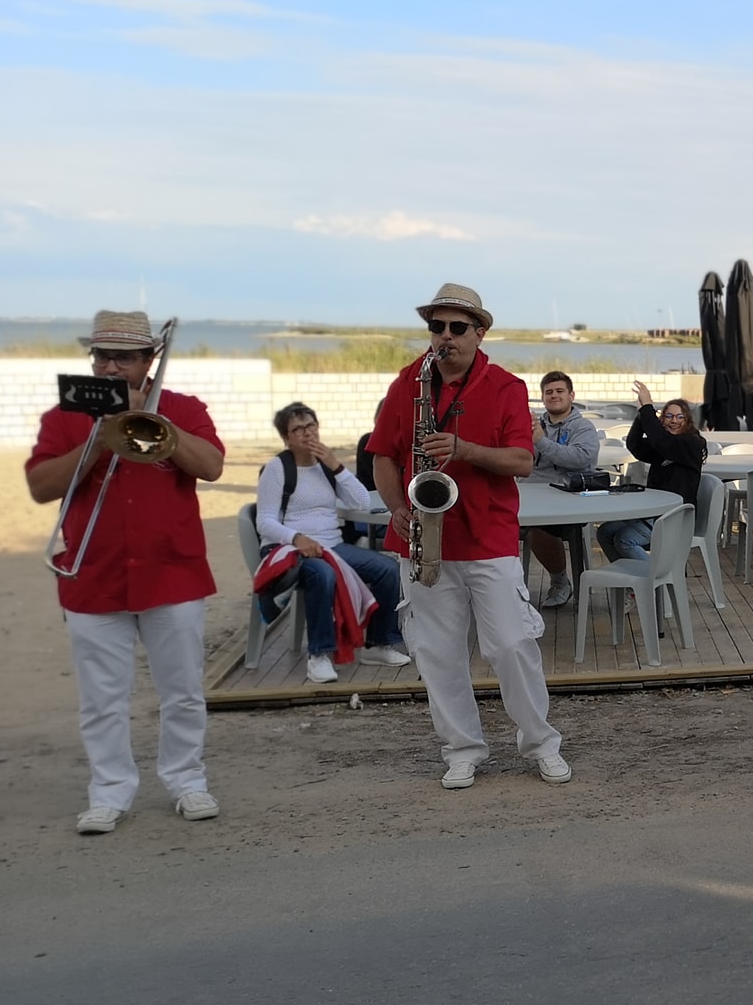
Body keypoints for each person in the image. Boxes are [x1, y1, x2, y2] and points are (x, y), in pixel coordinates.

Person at [25, 309, 226, 835]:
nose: (112, 367)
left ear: (148, 360)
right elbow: (41, 486)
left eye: (125, 357)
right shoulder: (65, 415)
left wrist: (160, 426)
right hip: (93, 573)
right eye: (103, 356)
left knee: (182, 690)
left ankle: (187, 781)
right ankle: (109, 791)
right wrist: (97, 440)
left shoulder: (182, 408)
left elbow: (210, 466)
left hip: (173, 573)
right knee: (102, 699)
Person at [368, 284, 570, 790]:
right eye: (437, 327)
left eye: (458, 327)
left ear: (480, 333)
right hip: (424, 539)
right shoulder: (407, 383)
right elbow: (383, 456)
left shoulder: (504, 386)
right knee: (437, 652)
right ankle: (462, 749)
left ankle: (541, 743)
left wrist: (463, 449)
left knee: (511, 646)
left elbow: (523, 461)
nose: (446, 337)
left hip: (487, 538)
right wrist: (396, 507)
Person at [254, 401, 411, 685]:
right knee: (322, 574)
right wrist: (297, 538)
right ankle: (320, 654)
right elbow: (264, 521)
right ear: (287, 438)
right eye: (297, 429)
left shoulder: (326, 467)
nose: (306, 433)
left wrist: (336, 467)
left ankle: (377, 644)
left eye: (310, 426)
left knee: (388, 569)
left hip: (332, 546)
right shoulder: (277, 468)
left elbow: (362, 502)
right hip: (290, 549)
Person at [600, 388, 707, 564]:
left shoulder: (691, 444)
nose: (674, 421)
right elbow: (635, 445)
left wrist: (648, 407)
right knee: (605, 532)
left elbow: (662, 442)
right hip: (654, 512)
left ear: (687, 420)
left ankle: (656, 582)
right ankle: (632, 582)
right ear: (662, 419)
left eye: (680, 417)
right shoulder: (663, 445)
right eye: (669, 416)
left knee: (625, 539)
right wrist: (642, 414)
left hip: (675, 517)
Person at [524, 369, 600, 607]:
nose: (554, 396)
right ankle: (501, 588)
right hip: (530, 497)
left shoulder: (584, 428)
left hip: (569, 501)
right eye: (548, 392)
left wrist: (541, 442)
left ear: (571, 395)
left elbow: (580, 458)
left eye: (559, 391)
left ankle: (560, 582)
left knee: (535, 529)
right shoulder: (532, 424)